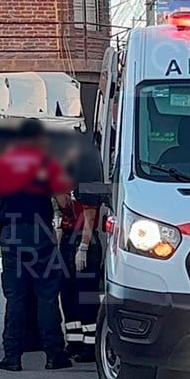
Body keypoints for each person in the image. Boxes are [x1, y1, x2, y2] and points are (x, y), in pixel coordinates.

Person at [0, 119, 73, 372]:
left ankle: (12, 356)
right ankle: (54, 355)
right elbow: (63, 201)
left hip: (12, 233)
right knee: (47, 295)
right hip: (40, 232)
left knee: (15, 296)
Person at [59, 135, 105, 363]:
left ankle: (90, 345)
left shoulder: (89, 178)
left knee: (85, 296)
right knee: (68, 295)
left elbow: (90, 216)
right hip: (68, 237)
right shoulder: (69, 177)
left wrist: (84, 247)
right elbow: (63, 206)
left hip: (84, 240)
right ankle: (74, 340)